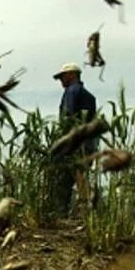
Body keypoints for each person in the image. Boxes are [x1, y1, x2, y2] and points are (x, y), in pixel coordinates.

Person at [49, 62, 97, 217]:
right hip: (88, 141)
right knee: (76, 174)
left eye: (62, 77)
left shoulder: (71, 91)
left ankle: (81, 210)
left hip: (75, 142)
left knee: (75, 174)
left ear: (71, 75)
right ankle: (81, 210)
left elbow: (68, 118)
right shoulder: (89, 96)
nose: (61, 81)